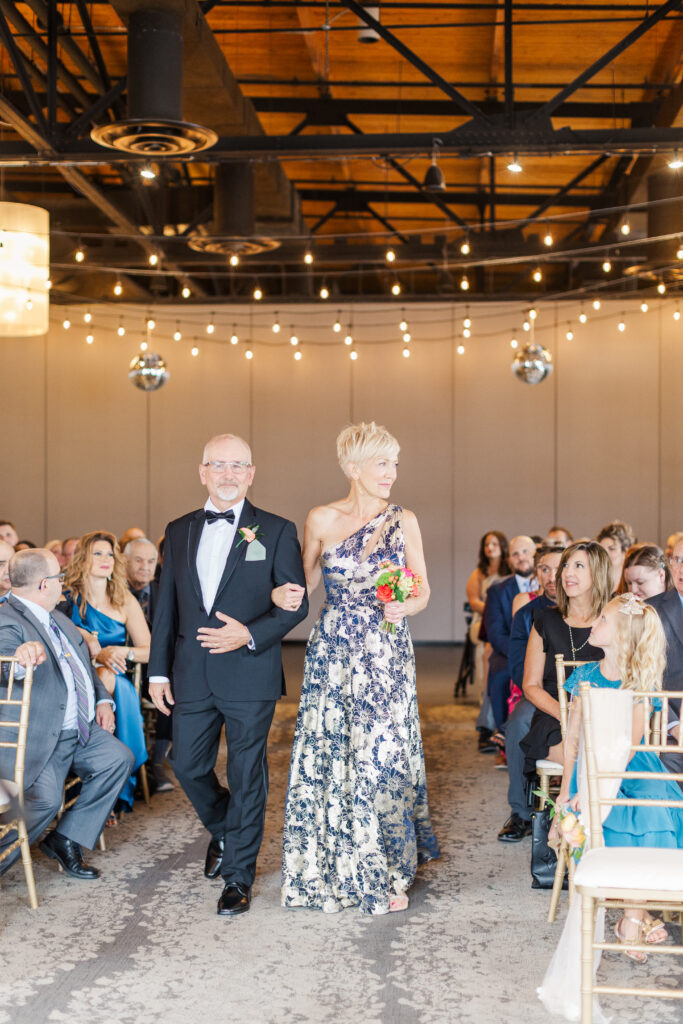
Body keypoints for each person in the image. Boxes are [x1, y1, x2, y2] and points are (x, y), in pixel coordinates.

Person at [278, 421, 440, 915]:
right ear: (353, 468)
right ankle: (331, 863)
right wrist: (274, 594)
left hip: (386, 651)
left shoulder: (404, 520)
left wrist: (405, 607)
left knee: (381, 755)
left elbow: (423, 589)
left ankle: (386, 867)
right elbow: (300, 589)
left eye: (394, 462)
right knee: (334, 752)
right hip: (334, 652)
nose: (392, 472)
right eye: (382, 463)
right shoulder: (321, 519)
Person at [148, 433, 309, 917]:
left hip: (249, 672)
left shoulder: (277, 530)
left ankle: (238, 875)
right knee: (187, 766)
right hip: (191, 671)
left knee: (246, 772)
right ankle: (225, 829)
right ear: (202, 471)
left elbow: (295, 605)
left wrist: (250, 634)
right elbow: (166, 609)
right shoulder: (178, 530)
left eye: (238, 465)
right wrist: (157, 673)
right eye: (218, 465)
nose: (228, 474)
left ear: (251, 473)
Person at [553, 594, 683, 955]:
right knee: (604, 814)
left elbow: (629, 747)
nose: (595, 623)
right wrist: (567, 791)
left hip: (632, 767)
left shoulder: (639, 685)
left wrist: (604, 785)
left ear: (623, 636)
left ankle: (633, 916)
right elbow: (574, 743)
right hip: (591, 769)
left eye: (604, 620)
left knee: (654, 808)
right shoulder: (585, 678)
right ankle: (637, 914)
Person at [0, 549, 133, 879]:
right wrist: (20, 658)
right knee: (42, 803)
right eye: (60, 578)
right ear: (45, 584)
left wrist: (103, 701)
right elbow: (5, 664)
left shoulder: (58, 617)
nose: (64, 584)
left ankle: (66, 838)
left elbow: (83, 667)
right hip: (42, 736)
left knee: (118, 758)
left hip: (81, 727)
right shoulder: (7, 620)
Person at [61, 531, 150, 818]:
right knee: (102, 676)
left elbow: (150, 650)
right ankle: (97, 784)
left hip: (114, 679)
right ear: (83, 558)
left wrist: (123, 652)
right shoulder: (66, 597)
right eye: (97, 553)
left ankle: (103, 785)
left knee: (111, 680)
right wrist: (97, 652)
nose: (105, 559)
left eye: (110, 554)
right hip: (73, 680)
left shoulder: (125, 600)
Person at [520, 541, 611, 776]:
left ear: (597, 572)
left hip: (603, 714)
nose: (567, 573)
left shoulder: (613, 619)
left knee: (608, 757)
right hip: (555, 716)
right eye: (566, 566)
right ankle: (572, 811)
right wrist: (568, 712)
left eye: (579, 566)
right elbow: (531, 685)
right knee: (585, 762)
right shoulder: (545, 620)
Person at [498, 544, 562, 842]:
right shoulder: (526, 615)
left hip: (578, 691)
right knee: (517, 724)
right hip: (537, 691)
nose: (552, 577)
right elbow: (517, 668)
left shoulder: (586, 607)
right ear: (537, 574)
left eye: (558, 569)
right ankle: (520, 812)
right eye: (545, 569)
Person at [125, 538, 172, 792]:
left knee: (174, 688)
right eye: (138, 560)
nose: (145, 566)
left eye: (151, 561)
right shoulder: (115, 591)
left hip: (153, 668)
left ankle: (156, 761)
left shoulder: (164, 590)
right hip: (122, 667)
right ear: (125, 562)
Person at [482, 535, 537, 733]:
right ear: (509, 560)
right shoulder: (497, 591)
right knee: (499, 674)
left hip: (545, 652)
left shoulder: (549, 586)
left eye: (525, 552)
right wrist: (520, 653)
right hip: (509, 652)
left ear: (535, 555)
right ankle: (504, 735)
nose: (521, 557)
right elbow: (495, 633)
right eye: (515, 554)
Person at [465, 531, 510, 748]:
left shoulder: (510, 570)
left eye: (494, 544)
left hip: (505, 619)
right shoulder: (479, 573)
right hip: (484, 618)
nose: (490, 548)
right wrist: (495, 608)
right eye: (486, 544)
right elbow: (473, 601)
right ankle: (488, 697)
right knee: (488, 649)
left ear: (502, 546)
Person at [647, 534, 683, 782]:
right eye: (677, 560)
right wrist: (673, 726)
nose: (681, 568)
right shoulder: (652, 611)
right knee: (665, 762)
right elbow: (645, 677)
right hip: (669, 728)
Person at [596, 519, 635, 591]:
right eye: (602, 550)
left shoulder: (633, 586)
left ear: (625, 551)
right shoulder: (595, 584)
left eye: (612, 549)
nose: (605, 554)